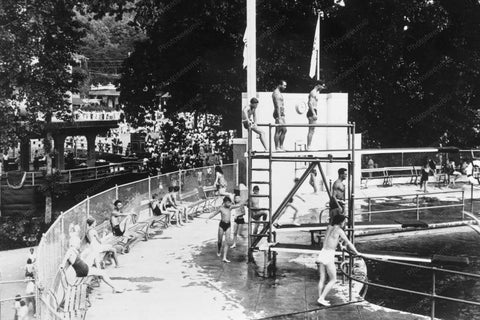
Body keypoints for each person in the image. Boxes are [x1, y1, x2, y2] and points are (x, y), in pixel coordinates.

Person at [317, 214, 360, 306]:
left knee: (322, 278)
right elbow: (349, 243)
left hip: (322, 252)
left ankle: (320, 297)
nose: (344, 223)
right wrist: (357, 252)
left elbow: (330, 239)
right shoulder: (340, 231)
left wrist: (339, 243)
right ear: (341, 222)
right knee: (333, 279)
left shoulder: (329, 227)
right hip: (329, 254)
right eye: (344, 221)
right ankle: (321, 298)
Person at [206, 196, 245, 263]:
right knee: (220, 241)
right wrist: (208, 218)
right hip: (222, 225)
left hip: (228, 225)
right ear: (224, 203)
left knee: (227, 241)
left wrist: (243, 203)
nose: (229, 204)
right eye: (228, 203)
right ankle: (218, 250)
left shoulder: (230, 207)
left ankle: (224, 257)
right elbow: (214, 213)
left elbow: (237, 205)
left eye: (230, 203)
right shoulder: (221, 208)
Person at [307, 82, 326, 150]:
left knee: (312, 130)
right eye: (322, 86)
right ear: (318, 85)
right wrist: (314, 113)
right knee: (311, 130)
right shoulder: (313, 92)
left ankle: (309, 146)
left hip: (313, 111)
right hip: (312, 112)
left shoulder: (316, 92)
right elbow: (309, 103)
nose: (323, 88)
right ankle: (309, 146)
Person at [272, 80, 288, 151]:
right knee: (278, 130)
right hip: (278, 113)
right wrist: (279, 117)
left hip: (281, 113)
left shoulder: (279, 93)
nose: (285, 87)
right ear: (279, 85)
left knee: (284, 130)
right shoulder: (276, 93)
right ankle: (277, 147)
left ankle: (281, 146)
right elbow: (277, 106)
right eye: (284, 85)